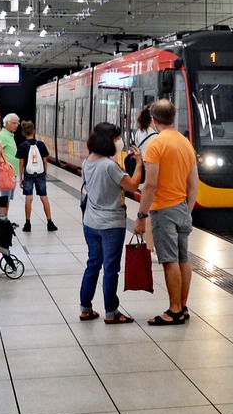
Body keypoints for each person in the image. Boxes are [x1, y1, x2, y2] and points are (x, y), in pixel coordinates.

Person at [135, 100, 199, 326]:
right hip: (182, 207)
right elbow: (194, 183)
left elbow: (150, 185)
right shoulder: (185, 143)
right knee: (183, 258)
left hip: (163, 209)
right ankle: (183, 306)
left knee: (169, 260)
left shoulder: (156, 144)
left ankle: (173, 311)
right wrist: (187, 210)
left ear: (154, 119)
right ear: (174, 117)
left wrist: (141, 216)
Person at [80, 122, 143, 325]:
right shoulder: (109, 166)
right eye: (116, 138)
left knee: (93, 265)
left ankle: (85, 308)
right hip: (111, 224)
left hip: (90, 222)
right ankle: (112, 312)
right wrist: (140, 163)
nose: (119, 142)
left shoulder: (87, 162)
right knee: (111, 269)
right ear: (108, 141)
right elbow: (133, 186)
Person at [17, 121, 55, 232]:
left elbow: (21, 163)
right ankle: (50, 222)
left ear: (23, 133)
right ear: (34, 131)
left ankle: (27, 224)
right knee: (44, 197)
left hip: (28, 174)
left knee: (29, 198)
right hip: (40, 173)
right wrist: (45, 174)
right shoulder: (41, 144)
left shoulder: (22, 146)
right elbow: (45, 161)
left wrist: (21, 178)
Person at [0, 114, 20, 207]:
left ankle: (5, 218)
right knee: (5, 197)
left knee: (8, 198)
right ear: (6, 123)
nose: (16, 125)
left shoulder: (10, 135)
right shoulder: (2, 136)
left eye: (17, 123)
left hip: (12, 172)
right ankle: (3, 218)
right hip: (6, 172)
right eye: (14, 123)